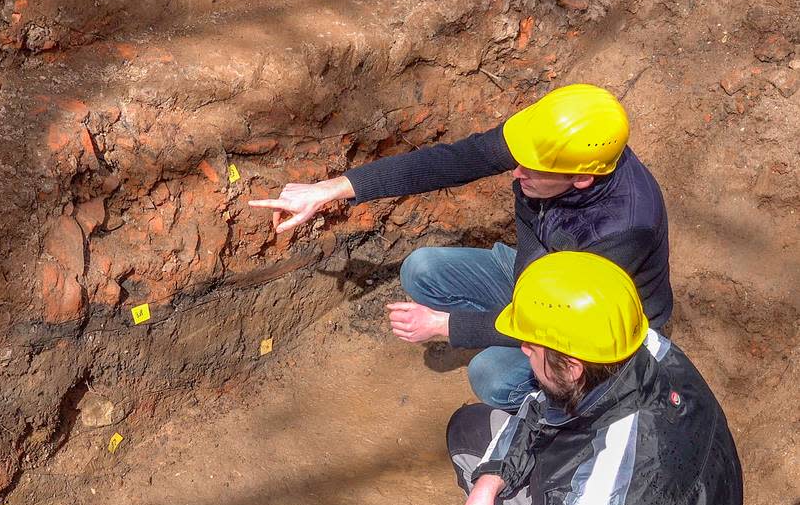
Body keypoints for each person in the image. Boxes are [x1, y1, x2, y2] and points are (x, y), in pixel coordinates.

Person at [371, 251, 742, 505]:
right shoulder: (642, 350)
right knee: (471, 432)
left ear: (573, 366)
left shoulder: (615, 475)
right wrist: (487, 484)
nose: (523, 350)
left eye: (533, 347)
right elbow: (538, 404)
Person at [248, 84, 672, 410]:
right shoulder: (553, 146)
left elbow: (562, 326)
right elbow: (452, 161)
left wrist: (446, 327)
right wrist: (332, 189)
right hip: (538, 274)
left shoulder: (620, 229)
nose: (515, 171)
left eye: (530, 169)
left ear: (582, 178)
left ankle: (570, 421)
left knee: (492, 376)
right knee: (423, 269)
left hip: (595, 332)